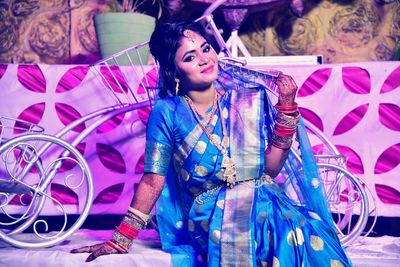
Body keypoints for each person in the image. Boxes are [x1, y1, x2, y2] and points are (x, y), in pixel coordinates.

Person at [71, 21, 352, 266]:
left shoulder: (245, 102)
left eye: (206, 49)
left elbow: (270, 169)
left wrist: (287, 109)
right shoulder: (167, 112)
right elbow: (152, 181)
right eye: (190, 57)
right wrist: (121, 239)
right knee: (273, 230)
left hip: (264, 199)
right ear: (173, 71)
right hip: (210, 211)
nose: (205, 59)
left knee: (308, 226)